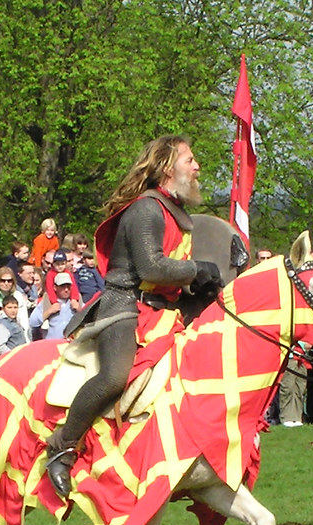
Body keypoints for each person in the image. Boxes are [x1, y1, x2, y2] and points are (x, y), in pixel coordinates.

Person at [42, 134, 223, 497]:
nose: (197, 166)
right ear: (168, 168)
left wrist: (200, 287)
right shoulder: (146, 209)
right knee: (114, 377)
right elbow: (151, 267)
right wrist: (196, 269)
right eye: (190, 160)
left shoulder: (174, 211)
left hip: (163, 311)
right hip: (124, 306)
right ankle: (61, 447)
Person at [29, 273, 78, 340]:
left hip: (72, 345)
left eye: (68, 286)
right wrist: (49, 312)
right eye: (62, 286)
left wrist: (79, 309)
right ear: (55, 287)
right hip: (52, 345)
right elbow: (33, 322)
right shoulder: (47, 302)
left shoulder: (77, 301)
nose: (66, 289)